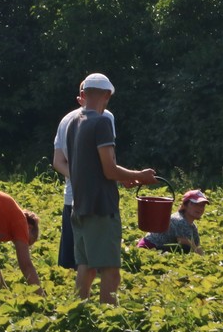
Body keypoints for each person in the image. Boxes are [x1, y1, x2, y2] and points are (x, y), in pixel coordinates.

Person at [65, 72, 156, 305]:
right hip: (101, 208)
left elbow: (95, 166)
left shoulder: (74, 123)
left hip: (80, 207)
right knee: (110, 270)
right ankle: (109, 322)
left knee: (85, 267)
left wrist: (121, 176)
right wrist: (140, 176)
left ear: (84, 95)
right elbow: (108, 169)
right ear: (107, 95)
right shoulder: (102, 122)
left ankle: (78, 313)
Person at [53, 81, 115, 270]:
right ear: (106, 95)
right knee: (98, 263)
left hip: (73, 198)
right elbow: (109, 164)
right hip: (97, 201)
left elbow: (58, 163)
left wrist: (80, 178)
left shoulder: (67, 119)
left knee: (75, 261)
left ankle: (74, 298)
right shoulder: (105, 118)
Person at [138, 189, 208, 253]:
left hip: (159, 249)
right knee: (186, 248)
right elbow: (190, 246)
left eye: (202, 205)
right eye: (195, 204)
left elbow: (197, 247)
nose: (200, 208)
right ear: (185, 205)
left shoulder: (192, 226)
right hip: (147, 248)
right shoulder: (180, 220)